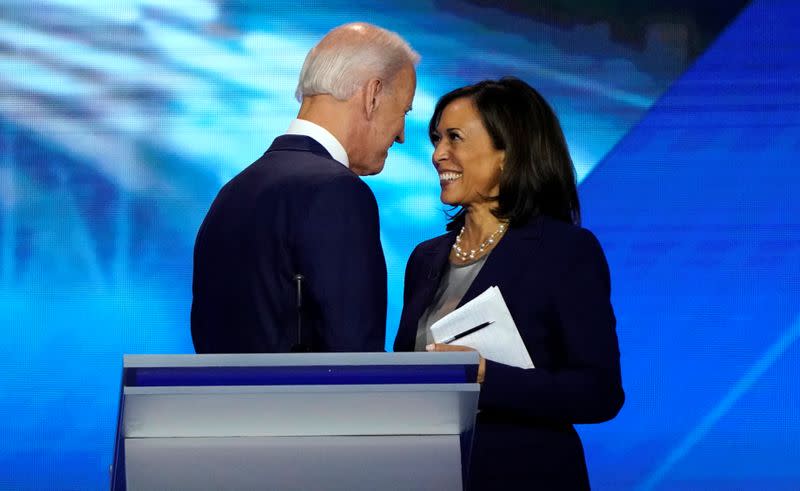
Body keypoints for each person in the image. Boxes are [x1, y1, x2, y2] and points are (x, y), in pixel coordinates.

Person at [394, 78, 624, 489]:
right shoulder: (425, 258)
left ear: (507, 152)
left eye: (454, 138)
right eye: (436, 139)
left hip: (525, 474)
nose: (437, 155)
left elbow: (600, 392)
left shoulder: (564, 250)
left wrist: (485, 376)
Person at [192, 23, 419, 353]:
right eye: (404, 111)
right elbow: (355, 360)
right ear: (372, 95)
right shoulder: (337, 192)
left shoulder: (233, 192)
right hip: (310, 406)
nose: (401, 134)